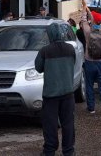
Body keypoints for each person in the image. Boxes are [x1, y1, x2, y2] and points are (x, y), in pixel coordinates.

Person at [35, 22, 76, 156]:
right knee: (68, 124)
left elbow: (38, 68)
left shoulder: (45, 51)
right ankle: (69, 151)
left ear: (50, 35)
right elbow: (73, 63)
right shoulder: (70, 49)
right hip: (68, 92)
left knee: (50, 125)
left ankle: (49, 150)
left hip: (51, 94)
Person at [80, 1, 101, 116]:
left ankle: (91, 108)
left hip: (89, 61)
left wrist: (84, 8)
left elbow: (83, 20)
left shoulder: (87, 30)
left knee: (89, 84)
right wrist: (91, 15)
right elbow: (98, 22)